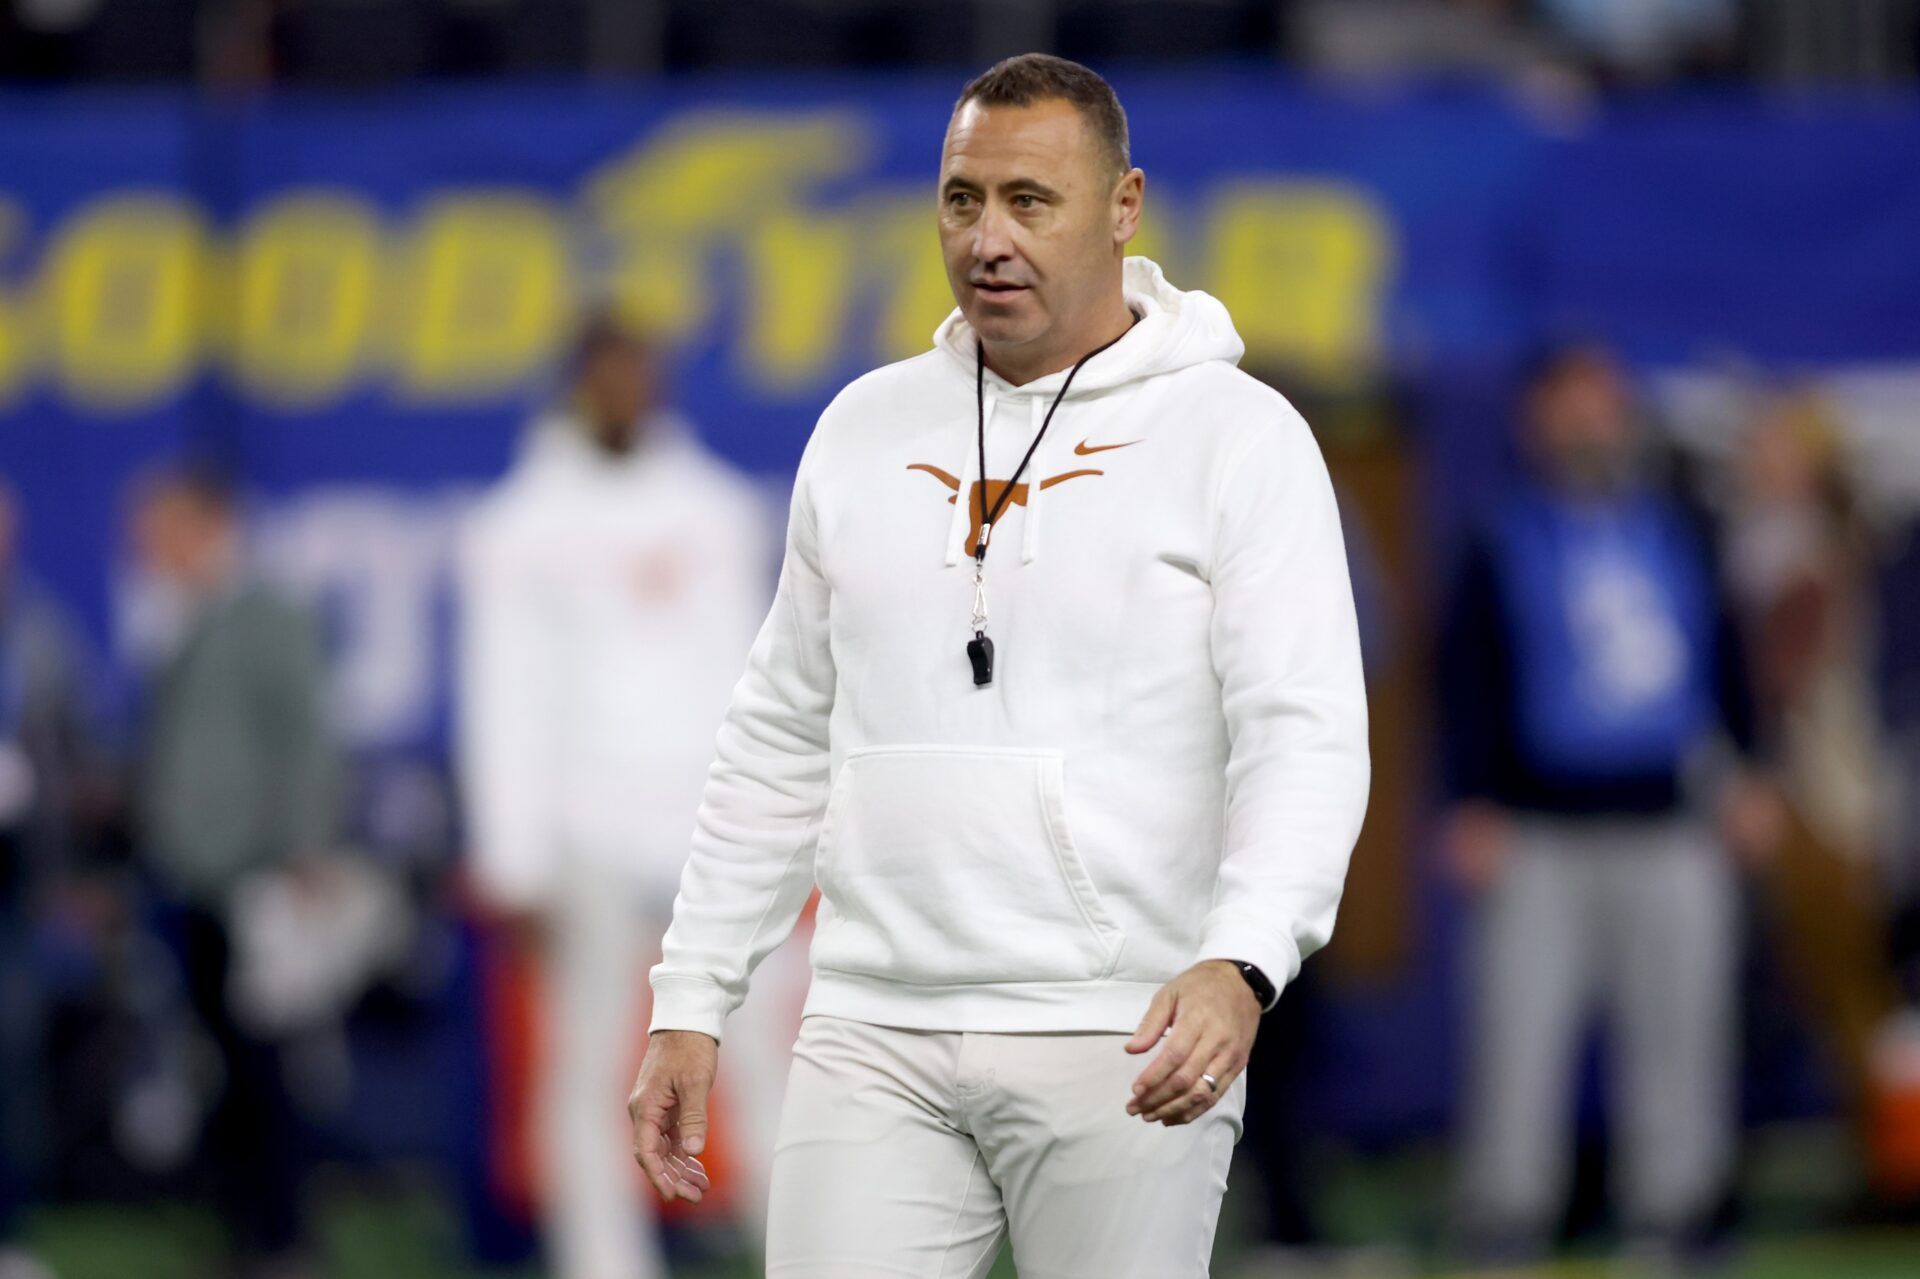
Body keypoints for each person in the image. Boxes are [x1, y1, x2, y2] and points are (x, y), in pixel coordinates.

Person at [629, 53, 1371, 1278]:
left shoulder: (1239, 438)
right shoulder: (862, 430)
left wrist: (1246, 957)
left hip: (1123, 1030)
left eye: (1031, 200)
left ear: (1123, 206)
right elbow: (777, 734)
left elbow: (1305, 732)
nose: (988, 237)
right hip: (871, 1025)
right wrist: (693, 994)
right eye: (962, 198)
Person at [457, 316, 787, 1279]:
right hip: (585, 832)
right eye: (608, 374)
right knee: (587, 1066)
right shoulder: (519, 526)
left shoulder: (717, 511)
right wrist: (512, 852)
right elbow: (502, 694)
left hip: (712, 828)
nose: (626, 391)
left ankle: (798, 1251)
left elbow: (756, 676)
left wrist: (777, 821)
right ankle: (603, 1262)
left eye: (640, 372)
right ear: (575, 384)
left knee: (761, 1055)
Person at [1440, 343, 1772, 1265]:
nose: (1591, 421)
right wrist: (1470, 799)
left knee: (1682, 1029)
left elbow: (1728, 656)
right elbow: (1464, 675)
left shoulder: (1679, 525)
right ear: (1535, 419)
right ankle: (1506, 1212)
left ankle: (1679, 1206)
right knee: (1521, 1034)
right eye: (1570, 404)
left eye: (1603, 402)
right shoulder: (1502, 531)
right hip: (1540, 827)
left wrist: (1749, 769)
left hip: (1672, 821)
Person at [128, 463, 336, 1279]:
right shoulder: (181, 615)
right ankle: (250, 1228)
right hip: (196, 873)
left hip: (256, 873)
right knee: (224, 1059)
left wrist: (301, 849)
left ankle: (286, 1234)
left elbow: (307, 734)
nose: (148, 546)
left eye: (162, 527)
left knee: (269, 1063)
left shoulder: (266, 613)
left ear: (206, 524)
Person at [0, 483, 112, 1279]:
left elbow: (80, 753)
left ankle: (8, 1229)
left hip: (14, 874)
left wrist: (72, 865)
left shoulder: (39, 635)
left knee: (11, 1052)